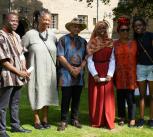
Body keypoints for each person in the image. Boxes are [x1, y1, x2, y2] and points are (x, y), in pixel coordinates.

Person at [22, 9, 59, 130]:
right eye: (45, 19)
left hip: (50, 72)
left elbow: (56, 52)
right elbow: (21, 52)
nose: (47, 22)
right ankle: (36, 119)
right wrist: (23, 68)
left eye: (49, 19)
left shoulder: (53, 35)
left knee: (47, 94)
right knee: (36, 93)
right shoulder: (30, 34)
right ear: (39, 19)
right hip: (36, 70)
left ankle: (45, 119)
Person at [0, 12, 31, 137]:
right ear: (5, 21)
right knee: (3, 106)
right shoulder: (1, 36)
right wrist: (20, 72)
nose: (15, 23)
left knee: (15, 103)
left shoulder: (17, 36)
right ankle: (1, 131)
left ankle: (15, 126)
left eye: (17, 21)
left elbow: (21, 54)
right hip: (6, 76)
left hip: (18, 77)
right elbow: (3, 61)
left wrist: (24, 68)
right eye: (12, 20)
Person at [57, 18, 87, 131]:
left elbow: (86, 57)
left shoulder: (84, 41)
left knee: (76, 98)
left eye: (78, 27)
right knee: (66, 98)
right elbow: (60, 56)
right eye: (74, 26)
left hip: (79, 72)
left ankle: (74, 119)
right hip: (66, 72)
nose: (76, 28)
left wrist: (80, 68)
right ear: (70, 27)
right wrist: (71, 69)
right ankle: (63, 120)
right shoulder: (63, 39)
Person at [87, 21, 115, 129]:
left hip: (107, 70)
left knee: (107, 97)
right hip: (96, 71)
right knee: (96, 96)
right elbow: (90, 60)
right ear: (96, 30)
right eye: (100, 28)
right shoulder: (92, 43)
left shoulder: (110, 42)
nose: (102, 30)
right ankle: (97, 120)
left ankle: (107, 119)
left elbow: (112, 59)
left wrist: (110, 74)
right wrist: (94, 74)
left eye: (104, 28)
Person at [113, 16, 137, 127]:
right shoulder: (114, 44)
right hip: (119, 75)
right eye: (123, 30)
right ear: (118, 31)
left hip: (131, 75)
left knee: (131, 97)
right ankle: (122, 117)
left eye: (127, 29)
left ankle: (132, 118)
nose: (125, 32)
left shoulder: (134, 43)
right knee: (120, 97)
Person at [132, 17, 153, 128]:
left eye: (140, 25)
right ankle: (141, 119)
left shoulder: (150, 35)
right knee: (142, 96)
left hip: (151, 67)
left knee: (152, 96)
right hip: (140, 68)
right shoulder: (135, 39)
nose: (138, 27)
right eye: (135, 26)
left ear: (144, 25)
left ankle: (151, 119)